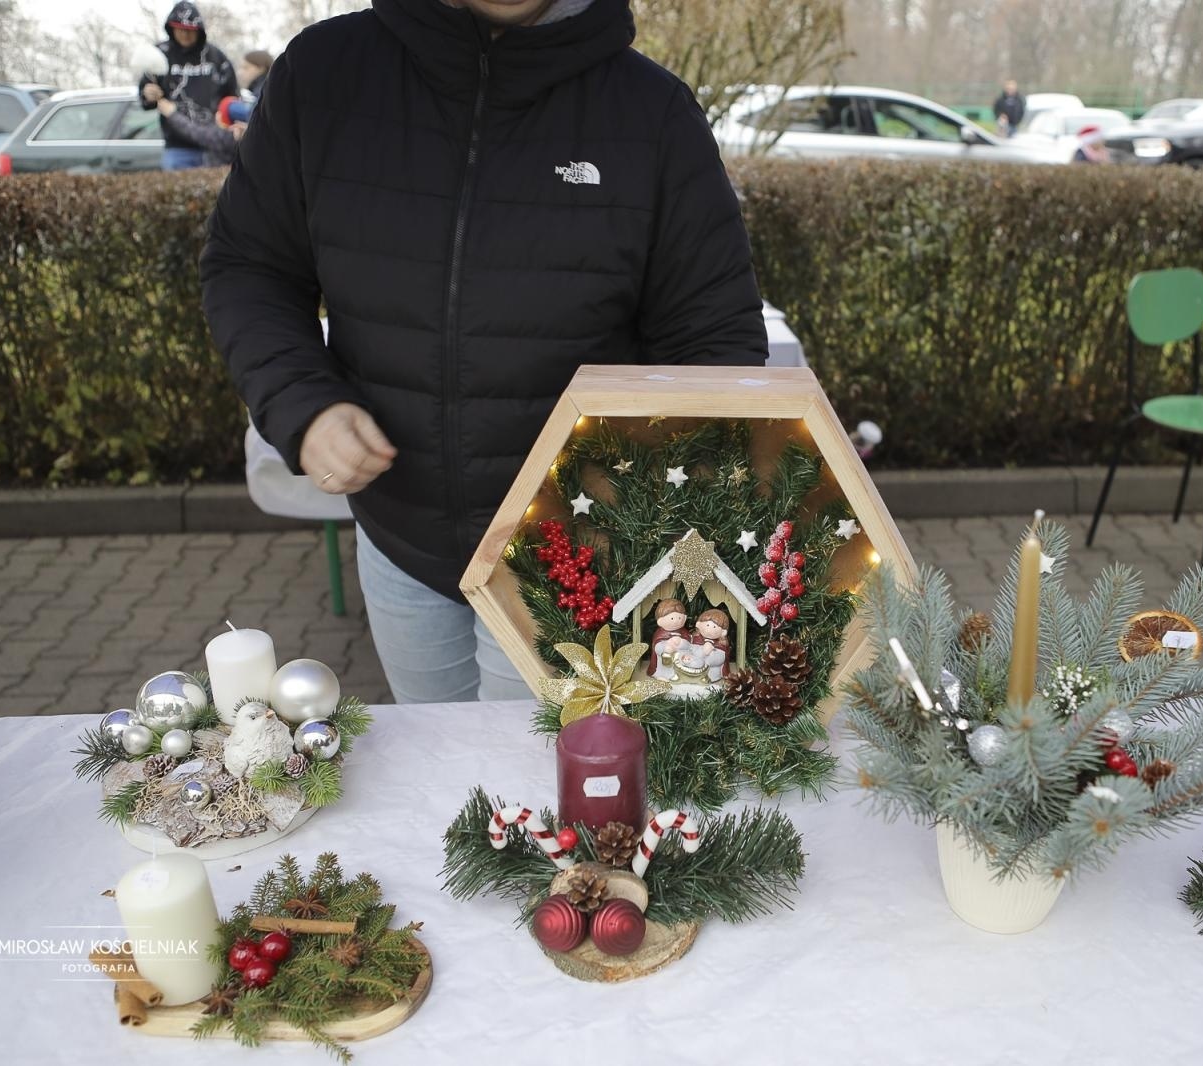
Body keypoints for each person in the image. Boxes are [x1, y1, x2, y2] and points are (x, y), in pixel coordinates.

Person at [201, 0, 769, 705]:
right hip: (401, 543)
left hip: (573, 563)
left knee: (540, 798)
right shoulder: (324, 76)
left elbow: (714, 343)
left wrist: (638, 514)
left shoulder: (651, 113)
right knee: (444, 780)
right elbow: (249, 267)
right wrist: (303, 402)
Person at [139, 3, 238, 171]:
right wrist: (148, 94)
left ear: (199, 30)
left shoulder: (215, 56)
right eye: (180, 29)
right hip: (178, 146)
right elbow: (146, 96)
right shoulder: (161, 54)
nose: (185, 34)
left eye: (190, 29)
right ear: (171, 28)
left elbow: (232, 95)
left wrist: (229, 121)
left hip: (214, 142)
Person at [155, 94, 249, 167]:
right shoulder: (242, 138)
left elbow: (194, 131)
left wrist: (172, 114)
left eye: (220, 112)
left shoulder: (224, 137)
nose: (216, 114)